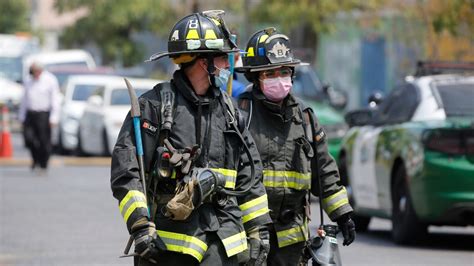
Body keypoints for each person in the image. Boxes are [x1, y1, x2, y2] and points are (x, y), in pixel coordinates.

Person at [111, 11, 272, 266]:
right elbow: (126, 172)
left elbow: (250, 178)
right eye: (222, 58)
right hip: (168, 249)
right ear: (202, 62)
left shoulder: (230, 112)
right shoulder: (155, 107)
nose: (227, 67)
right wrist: (140, 225)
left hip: (224, 248)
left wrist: (259, 231)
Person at [235, 28, 355, 266]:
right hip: (248, 237)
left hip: (292, 242)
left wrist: (343, 214)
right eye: (270, 73)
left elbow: (324, 171)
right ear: (255, 77)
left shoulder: (305, 118)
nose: (278, 78)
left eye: (284, 71)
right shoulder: (240, 115)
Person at [19, 62, 61, 171]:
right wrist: (22, 116)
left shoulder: (50, 80)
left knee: (44, 141)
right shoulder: (28, 80)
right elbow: (24, 99)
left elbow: (55, 100)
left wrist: (54, 117)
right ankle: (35, 159)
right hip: (30, 114)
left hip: (43, 114)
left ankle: (43, 163)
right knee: (29, 139)